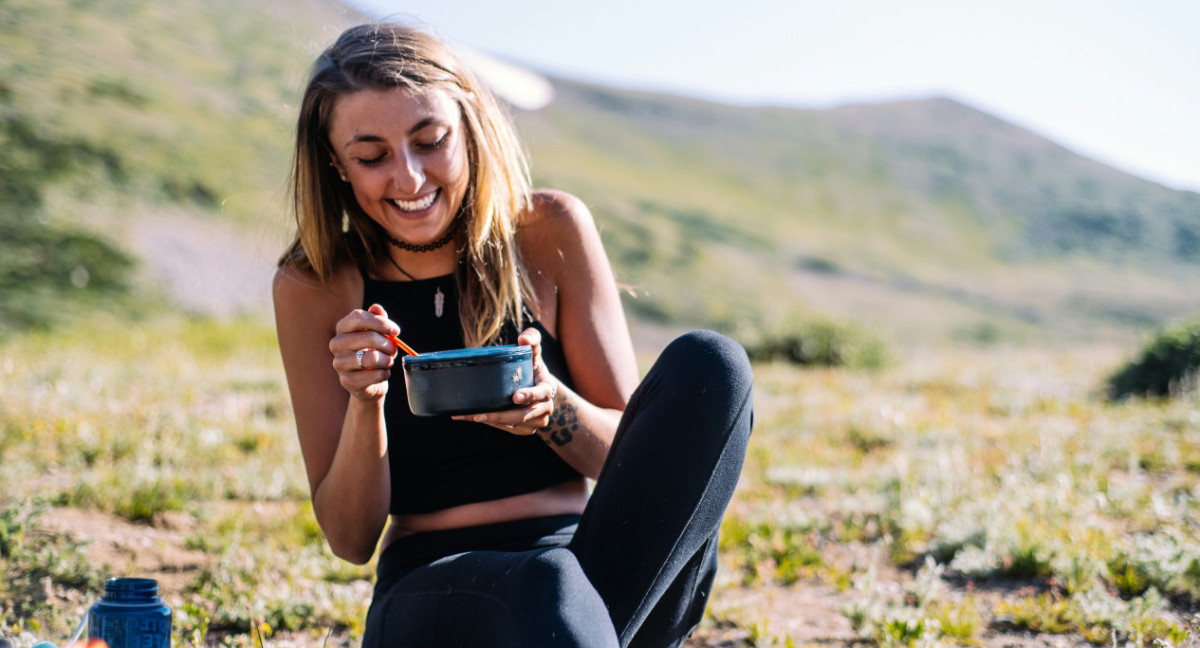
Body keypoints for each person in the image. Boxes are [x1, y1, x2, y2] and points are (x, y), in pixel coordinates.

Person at [273, 22, 753, 648]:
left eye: (431, 141)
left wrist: (555, 408)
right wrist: (367, 404)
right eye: (372, 156)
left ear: (469, 128)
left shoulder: (549, 230)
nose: (410, 179)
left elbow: (631, 465)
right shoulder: (315, 285)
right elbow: (349, 538)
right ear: (336, 163)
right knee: (547, 587)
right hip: (434, 584)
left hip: (595, 566)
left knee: (711, 366)